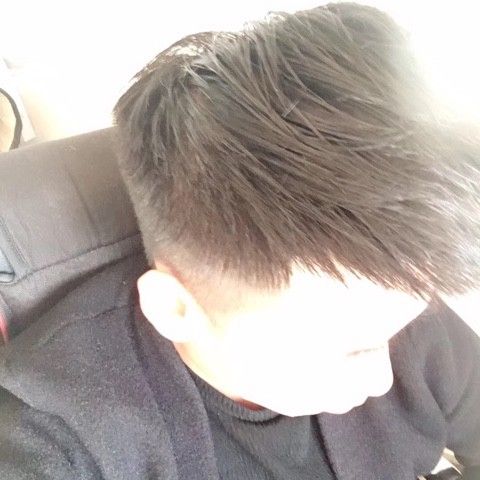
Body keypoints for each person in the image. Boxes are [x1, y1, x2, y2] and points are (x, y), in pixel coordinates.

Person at [0, 2, 479, 479]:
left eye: (402, 327)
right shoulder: (60, 439)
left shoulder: (389, 299)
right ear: (176, 310)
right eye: (354, 350)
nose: (383, 380)